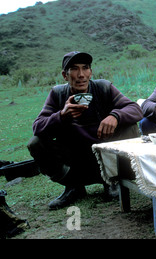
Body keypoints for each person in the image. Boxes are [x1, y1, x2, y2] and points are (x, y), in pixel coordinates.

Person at [27, 51, 143, 210]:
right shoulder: (58, 94)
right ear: (65, 75)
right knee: (35, 143)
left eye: (85, 68)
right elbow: (37, 127)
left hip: (106, 155)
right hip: (75, 159)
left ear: (91, 72)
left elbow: (135, 109)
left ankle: (113, 180)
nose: (81, 75)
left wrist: (115, 116)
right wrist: (61, 115)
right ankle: (73, 186)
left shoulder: (103, 88)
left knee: (129, 126)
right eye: (74, 69)